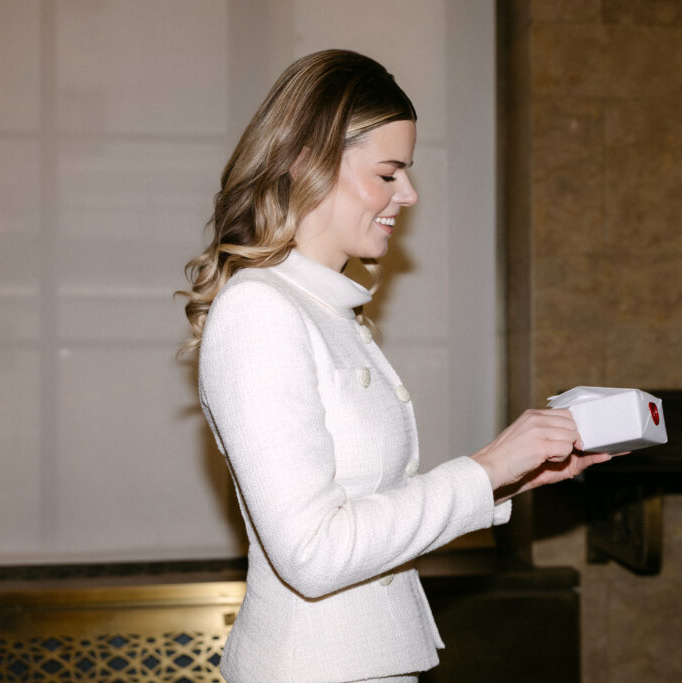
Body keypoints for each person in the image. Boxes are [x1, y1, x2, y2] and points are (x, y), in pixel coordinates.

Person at [179, 49, 612, 683]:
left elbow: (368, 506)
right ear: (308, 164)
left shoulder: (326, 311)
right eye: (389, 173)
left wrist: (507, 478)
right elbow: (313, 554)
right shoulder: (260, 313)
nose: (408, 194)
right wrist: (484, 469)